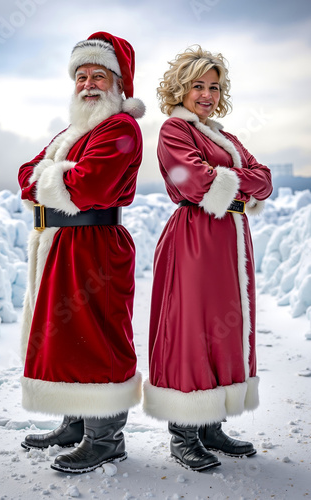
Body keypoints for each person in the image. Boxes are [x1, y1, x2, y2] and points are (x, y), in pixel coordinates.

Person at [18, 31, 145, 474]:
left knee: (99, 337)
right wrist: (53, 176)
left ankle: (106, 439)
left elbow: (89, 186)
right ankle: (76, 424)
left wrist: (51, 177)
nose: (88, 84)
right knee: (66, 335)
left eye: (99, 76)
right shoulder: (77, 129)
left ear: (118, 83)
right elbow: (24, 175)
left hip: (95, 246)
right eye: (82, 76)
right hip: (62, 245)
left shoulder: (121, 128)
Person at [143, 45, 272, 472]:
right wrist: (239, 181)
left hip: (230, 240)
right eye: (197, 85)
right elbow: (196, 183)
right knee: (191, 327)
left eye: (213, 87)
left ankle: (212, 425)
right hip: (195, 238)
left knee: (226, 328)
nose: (206, 94)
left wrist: (230, 179)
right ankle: (184, 432)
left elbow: (265, 181)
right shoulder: (173, 131)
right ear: (180, 88)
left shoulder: (223, 136)